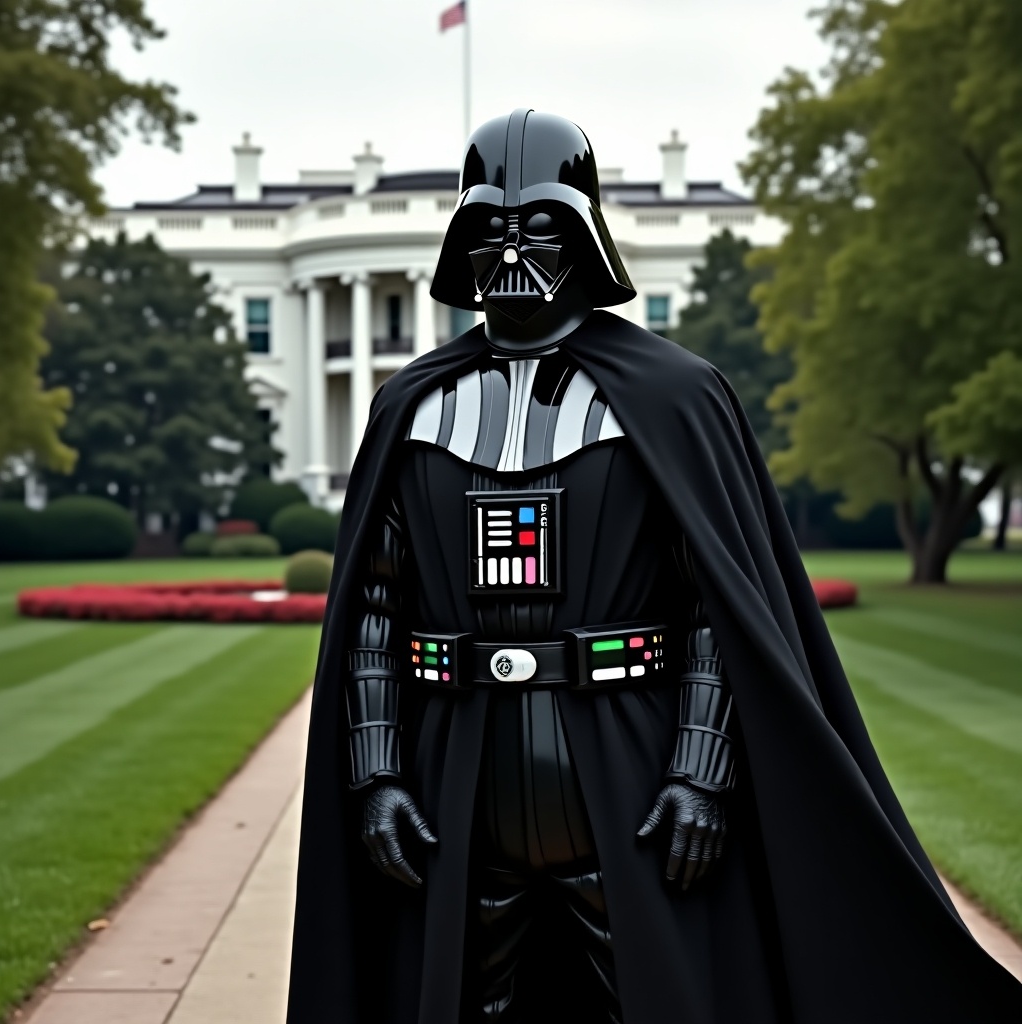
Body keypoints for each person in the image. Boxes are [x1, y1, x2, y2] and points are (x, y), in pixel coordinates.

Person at [286, 109, 1022, 1024]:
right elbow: (374, 608)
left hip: (630, 757)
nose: (514, 252)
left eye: (542, 227)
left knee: (654, 993)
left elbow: (714, 599)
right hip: (455, 766)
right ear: (461, 240)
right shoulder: (410, 405)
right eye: (492, 229)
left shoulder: (672, 395)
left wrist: (701, 766)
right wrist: (378, 771)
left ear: (586, 235)